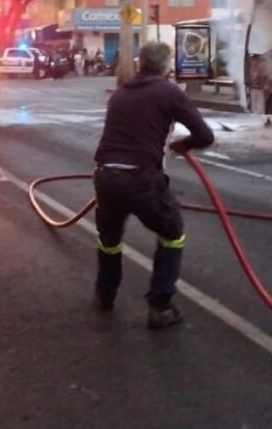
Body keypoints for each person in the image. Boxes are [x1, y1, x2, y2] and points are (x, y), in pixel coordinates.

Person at [92, 41, 214, 329]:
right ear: (166, 65)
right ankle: (160, 306)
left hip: (106, 176)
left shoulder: (120, 93)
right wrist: (182, 145)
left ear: (139, 64)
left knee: (109, 239)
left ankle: (105, 293)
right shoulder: (168, 91)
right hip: (141, 179)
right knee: (172, 233)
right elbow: (204, 135)